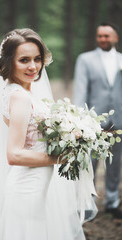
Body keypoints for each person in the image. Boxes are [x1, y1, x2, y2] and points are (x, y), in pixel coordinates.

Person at [0, 28, 97, 240]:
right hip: (27, 187)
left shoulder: (19, 91)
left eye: (37, 59)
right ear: (9, 62)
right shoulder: (20, 97)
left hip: (33, 185)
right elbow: (14, 154)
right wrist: (58, 157)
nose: (33, 66)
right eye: (24, 60)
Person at [73, 22, 122, 219]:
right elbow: (80, 90)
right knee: (89, 164)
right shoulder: (85, 59)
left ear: (115, 38)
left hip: (118, 121)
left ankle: (112, 202)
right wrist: (79, 121)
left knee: (115, 164)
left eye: (107, 36)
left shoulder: (121, 59)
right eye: (100, 35)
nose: (103, 39)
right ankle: (86, 205)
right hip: (92, 122)